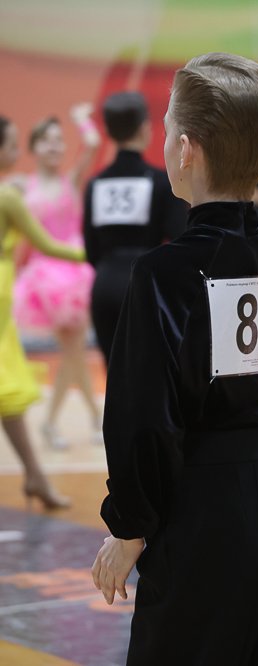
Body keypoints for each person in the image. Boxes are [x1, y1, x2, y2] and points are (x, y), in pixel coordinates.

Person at [90, 52, 258, 666]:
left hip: (200, 518)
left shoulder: (163, 274)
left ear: (185, 150)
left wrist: (129, 527)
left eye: (167, 129)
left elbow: (142, 419)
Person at [0, 114, 83, 510]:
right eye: (13, 144)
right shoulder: (10, 196)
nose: (18, 151)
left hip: (10, 297)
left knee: (8, 394)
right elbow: (47, 245)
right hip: (9, 293)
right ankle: (36, 474)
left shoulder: (14, 191)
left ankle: (35, 474)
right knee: (7, 391)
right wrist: (94, 254)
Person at [13, 106, 101, 448]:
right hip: (45, 281)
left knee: (72, 352)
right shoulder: (22, 186)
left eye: (59, 140)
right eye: (46, 140)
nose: (54, 146)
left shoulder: (72, 180)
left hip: (75, 274)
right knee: (74, 352)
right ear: (33, 147)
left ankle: (62, 422)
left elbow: (92, 144)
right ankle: (88, 418)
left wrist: (80, 119)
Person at [83, 91, 187, 367]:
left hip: (104, 286)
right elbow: (181, 238)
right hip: (145, 284)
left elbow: (91, 250)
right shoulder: (160, 181)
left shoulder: (95, 184)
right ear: (145, 128)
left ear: (107, 131)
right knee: (150, 371)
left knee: (114, 372)